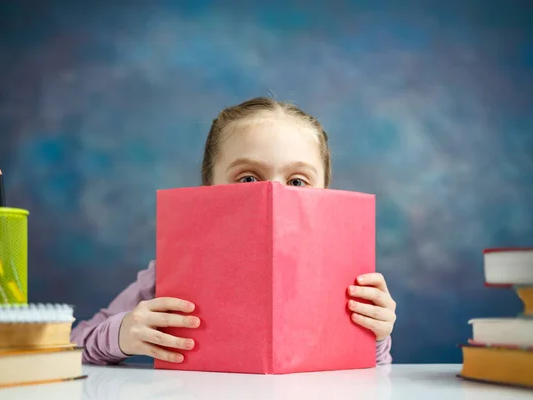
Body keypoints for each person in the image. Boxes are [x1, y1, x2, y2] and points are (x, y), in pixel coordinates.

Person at [71, 97, 397, 365]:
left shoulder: (348, 277)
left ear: (325, 192)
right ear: (208, 187)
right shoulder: (173, 272)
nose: (273, 195)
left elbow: (374, 380)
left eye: (297, 181)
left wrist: (378, 336)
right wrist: (124, 333)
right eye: (248, 179)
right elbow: (74, 345)